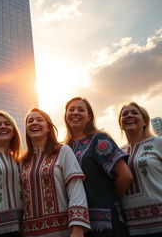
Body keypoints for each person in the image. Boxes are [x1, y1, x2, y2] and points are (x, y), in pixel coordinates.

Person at [64, 97, 133, 237]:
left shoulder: (99, 139)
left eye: (81, 109)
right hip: (77, 223)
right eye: (71, 109)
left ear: (89, 116)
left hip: (105, 223)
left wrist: (109, 198)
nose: (75, 112)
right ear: (65, 115)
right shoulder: (65, 147)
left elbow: (125, 176)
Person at [21, 108, 90, 237]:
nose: (34, 122)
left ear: (48, 128)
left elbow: (76, 188)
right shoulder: (23, 161)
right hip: (29, 232)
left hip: (62, 231)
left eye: (39, 120)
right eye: (30, 121)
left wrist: (78, 228)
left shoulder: (63, 150)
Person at [118, 102, 162, 236]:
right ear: (120, 123)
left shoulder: (158, 143)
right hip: (132, 228)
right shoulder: (118, 152)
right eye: (125, 114)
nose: (129, 115)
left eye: (134, 112)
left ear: (145, 121)